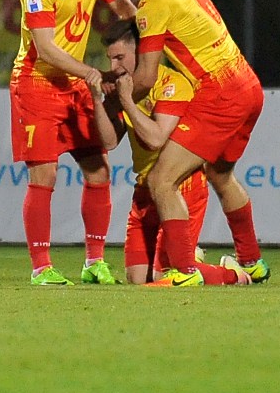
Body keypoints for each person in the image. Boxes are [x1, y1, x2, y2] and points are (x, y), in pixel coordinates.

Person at [123, 0, 269, 287]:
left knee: (161, 180)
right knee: (220, 174)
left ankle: (184, 272)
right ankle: (252, 262)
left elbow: (146, 77)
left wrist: (119, 100)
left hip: (220, 93)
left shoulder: (153, 0)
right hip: (247, 83)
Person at [10, 0, 138, 285]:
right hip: (37, 82)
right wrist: (89, 73)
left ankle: (94, 263)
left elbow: (126, 12)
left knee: (99, 170)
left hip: (75, 83)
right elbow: (46, 50)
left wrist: (150, 44)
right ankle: (41, 268)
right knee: (45, 175)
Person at [89, 20, 249, 285]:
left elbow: (156, 138)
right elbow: (108, 141)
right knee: (137, 279)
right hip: (144, 192)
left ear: (141, 53)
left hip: (180, 188)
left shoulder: (172, 84)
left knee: (165, 276)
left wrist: (126, 101)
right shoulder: (124, 88)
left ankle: (233, 275)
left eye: (119, 58)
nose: (113, 66)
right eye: (110, 59)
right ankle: (188, 256)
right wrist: (98, 100)